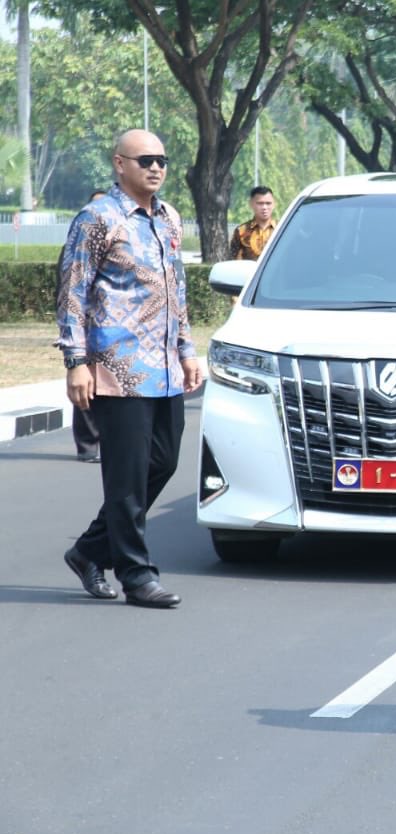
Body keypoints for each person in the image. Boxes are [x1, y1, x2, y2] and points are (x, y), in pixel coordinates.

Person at [56, 130, 204, 607]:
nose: (156, 168)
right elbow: (72, 292)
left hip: (163, 369)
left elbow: (176, 289)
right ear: (120, 164)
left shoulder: (169, 219)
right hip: (116, 369)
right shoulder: (97, 219)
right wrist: (76, 361)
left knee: (163, 461)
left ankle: (88, 551)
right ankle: (137, 576)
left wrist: (186, 349)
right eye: (145, 160)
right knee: (125, 477)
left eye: (161, 159)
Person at [64, 190, 108, 463]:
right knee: (85, 388)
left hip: (111, 329)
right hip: (85, 327)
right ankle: (88, 445)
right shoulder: (78, 240)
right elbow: (69, 291)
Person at [229, 185, 276, 261]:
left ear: (274, 204)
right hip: (250, 272)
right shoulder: (241, 231)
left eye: (268, 203)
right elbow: (233, 261)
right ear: (251, 204)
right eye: (260, 203)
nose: (264, 207)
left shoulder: (282, 228)